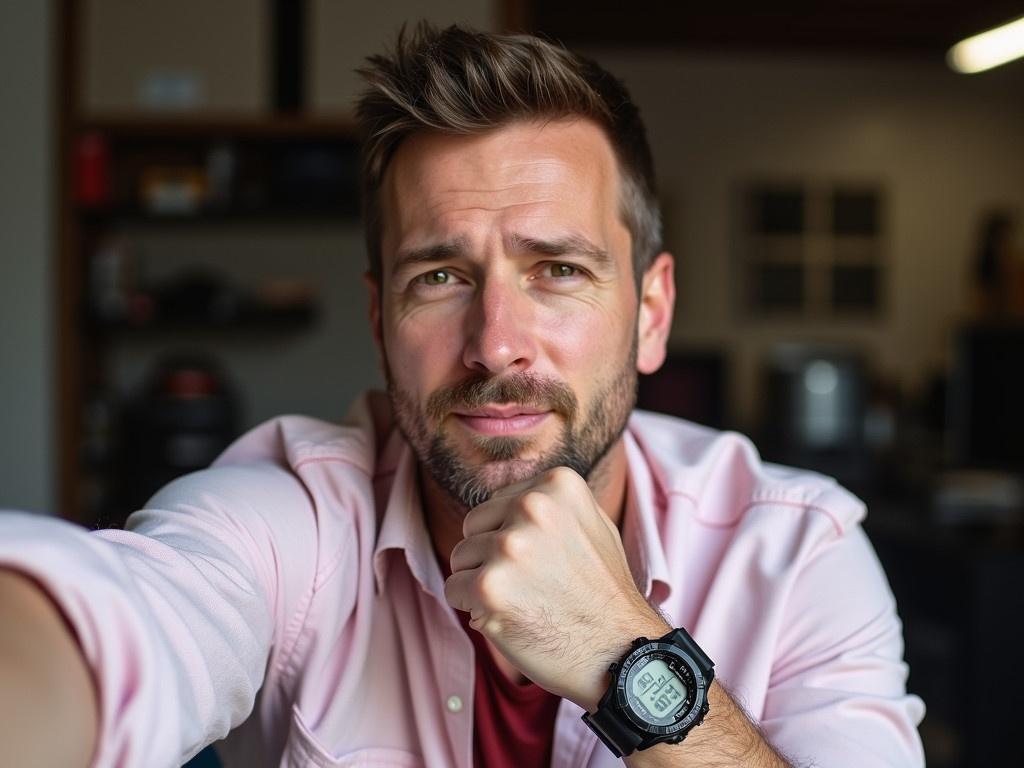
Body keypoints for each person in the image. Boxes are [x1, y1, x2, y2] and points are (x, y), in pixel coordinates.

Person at [0, 23, 924, 768]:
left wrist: (627, 658)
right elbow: (123, 618)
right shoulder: (293, 523)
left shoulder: (798, 552)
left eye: (557, 270)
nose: (494, 344)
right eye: (439, 277)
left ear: (650, 312)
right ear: (379, 321)